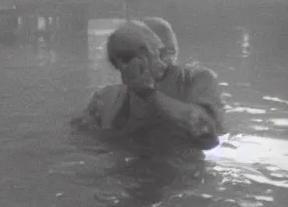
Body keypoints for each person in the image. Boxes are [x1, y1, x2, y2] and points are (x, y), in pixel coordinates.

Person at [73, 17, 225, 150]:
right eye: (126, 58)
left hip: (183, 178)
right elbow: (78, 140)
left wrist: (148, 93)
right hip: (124, 176)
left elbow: (208, 137)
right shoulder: (106, 98)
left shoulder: (196, 80)